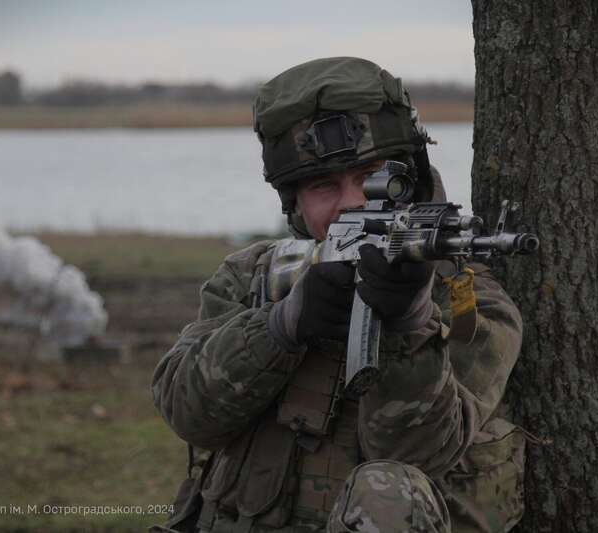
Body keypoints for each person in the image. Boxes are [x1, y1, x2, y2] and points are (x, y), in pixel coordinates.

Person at [151, 57, 525, 533]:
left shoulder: (472, 304)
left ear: (411, 182)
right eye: (324, 185)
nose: (353, 201)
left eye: (374, 177)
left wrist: (410, 322)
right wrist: (281, 326)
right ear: (295, 206)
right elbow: (188, 415)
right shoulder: (252, 278)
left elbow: (416, 455)